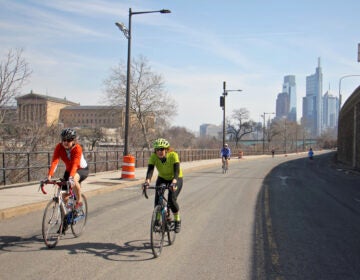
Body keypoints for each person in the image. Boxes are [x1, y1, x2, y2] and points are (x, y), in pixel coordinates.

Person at [143, 138, 183, 233]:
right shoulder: (154, 157)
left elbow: (176, 171)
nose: (160, 151)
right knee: (157, 199)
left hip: (175, 178)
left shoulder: (173, 155)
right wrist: (147, 181)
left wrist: (174, 181)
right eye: (157, 149)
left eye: (162, 149)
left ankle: (177, 220)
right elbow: (150, 170)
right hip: (162, 178)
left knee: (171, 199)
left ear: (166, 149)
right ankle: (157, 220)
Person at [47, 128, 89, 210]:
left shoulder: (77, 148)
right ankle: (70, 212)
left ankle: (79, 202)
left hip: (81, 169)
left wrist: (71, 178)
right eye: (64, 140)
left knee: (74, 180)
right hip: (69, 171)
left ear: (73, 141)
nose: (65, 142)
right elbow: (55, 161)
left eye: (69, 140)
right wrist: (49, 175)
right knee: (64, 195)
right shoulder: (59, 147)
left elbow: (75, 164)